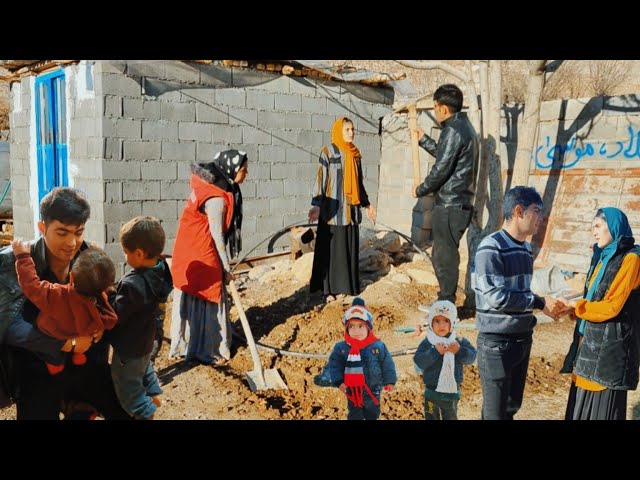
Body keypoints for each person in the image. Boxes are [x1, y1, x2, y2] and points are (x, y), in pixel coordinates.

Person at [0, 187, 130, 420]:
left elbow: (108, 300)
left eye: (78, 232)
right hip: (38, 367)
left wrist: (100, 325)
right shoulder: (14, 262)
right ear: (42, 228)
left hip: (87, 365)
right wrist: (66, 343)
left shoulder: (90, 258)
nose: (72, 242)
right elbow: (11, 328)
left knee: (125, 409)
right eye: (62, 232)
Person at [472, 186, 561, 420]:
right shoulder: (491, 247)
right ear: (519, 211)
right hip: (497, 343)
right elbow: (497, 297)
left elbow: (521, 292)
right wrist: (540, 302)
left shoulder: (524, 248)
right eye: (536, 211)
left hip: (522, 337)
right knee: (495, 414)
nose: (540, 218)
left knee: (511, 408)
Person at [560, 208, 640, 420]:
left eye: (597, 226)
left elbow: (612, 306)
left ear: (613, 226)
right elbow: (593, 296)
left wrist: (578, 306)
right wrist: (572, 308)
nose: (594, 232)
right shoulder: (603, 257)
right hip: (589, 347)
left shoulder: (631, 259)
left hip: (609, 353)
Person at [170, 150, 248, 365]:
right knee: (210, 294)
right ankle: (209, 350)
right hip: (199, 252)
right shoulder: (215, 198)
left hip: (189, 250)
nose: (246, 174)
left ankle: (183, 345)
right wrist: (225, 268)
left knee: (191, 296)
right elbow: (217, 235)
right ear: (232, 170)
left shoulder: (211, 187)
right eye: (244, 170)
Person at [412, 84, 479, 305]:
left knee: (444, 256)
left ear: (442, 108)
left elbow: (441, 169)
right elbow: (446, 157)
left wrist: (421, 189)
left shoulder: (453, 130)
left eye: (435, 106)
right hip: (458, 203)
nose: (435, 110)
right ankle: (446, 300)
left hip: (451, 205)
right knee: (446, 253)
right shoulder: (462, 127)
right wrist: (423, 140)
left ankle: (446, 303)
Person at [12, 240, 117, 375]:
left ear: (71, 277)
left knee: (49, 351)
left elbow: (32, 286)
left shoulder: (57, 295)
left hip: (54, 332)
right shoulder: (100, 299)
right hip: (81, 334)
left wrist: (23, 257)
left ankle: (55, 363)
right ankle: (78, 355)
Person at [108, 216, 173, 420]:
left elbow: (116, 315)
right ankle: (152, 395)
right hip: (147, 338)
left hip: (129, 346)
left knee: (126, 385)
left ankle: (146, 411)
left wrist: (108, 296)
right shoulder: (161, 268)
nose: (125, 256)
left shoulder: (132, 284)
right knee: (144, 368)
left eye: (126, 252)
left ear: (139, 253)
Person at [309, 117, 376, 302]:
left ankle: (346, 287)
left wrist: (367, 204)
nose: (351, 133)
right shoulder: (329, 152)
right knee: (330, 251)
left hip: (351, 211)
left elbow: (359, 183)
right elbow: (321, 179)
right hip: (332, 212)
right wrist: (316, 205)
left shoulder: (356, 154)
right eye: (347, 129)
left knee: (346, 249)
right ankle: (328, 290)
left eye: (353, 129)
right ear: (339, 131)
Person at [315, 297, 396, 420]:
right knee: (354, 414)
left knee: (372, 413)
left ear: (369, 327)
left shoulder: (377, 346)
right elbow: (334, 365)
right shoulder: (342, 347)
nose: (356, 331)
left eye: (361, 326)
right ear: (346, 328)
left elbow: (387, 364)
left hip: (373, 388)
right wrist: (338, 382)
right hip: (352, 390)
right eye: (351, 326)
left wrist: (390, 381)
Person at [413, 300, 476, 420]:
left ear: (452, 323)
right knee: (431, 414)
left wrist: (459, 351)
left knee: (450, 415)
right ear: (431, 323)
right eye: (437, 321)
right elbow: (419, 363)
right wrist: (434, 352)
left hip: (451, 392)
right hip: (431, 391)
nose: (441, 325)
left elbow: (471, 358)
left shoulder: (459, 341)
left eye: (446, 321)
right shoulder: (428, 343)